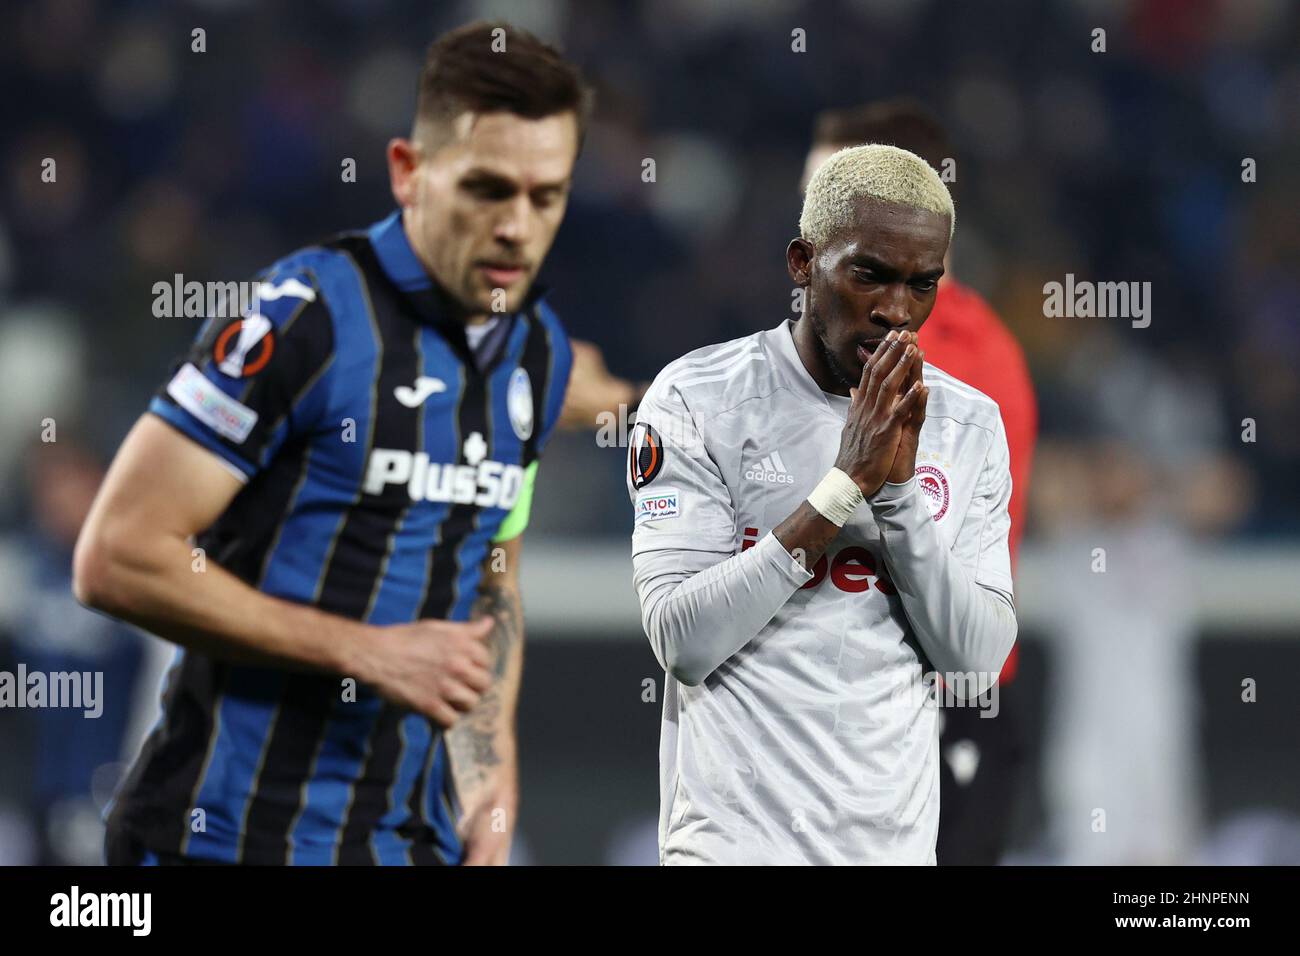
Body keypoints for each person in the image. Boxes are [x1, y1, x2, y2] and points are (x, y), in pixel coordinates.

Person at [74, 21, 588, 866]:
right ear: (408, 172)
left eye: (547, 196)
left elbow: (494, 570)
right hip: (225, 840)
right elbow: (116, 555)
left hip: (401, 844)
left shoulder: (540, 351)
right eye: (488, 189)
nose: (517, 228)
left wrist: (493, 779)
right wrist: (363, 650)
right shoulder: (301, 314)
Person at [628, 144, 1016, 864]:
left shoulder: (967, 425)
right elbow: (682, 641)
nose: (896, 311)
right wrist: (842, 489)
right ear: (803, 263)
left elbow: (977, 660)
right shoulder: (697, 399)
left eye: (921, 284)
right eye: (869, 275)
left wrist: (897, 496)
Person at [804, 99, 1038, 864]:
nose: (807, 231)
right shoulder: (868, 340)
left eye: (830, 198)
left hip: (926, 702)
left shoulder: (951, 363)